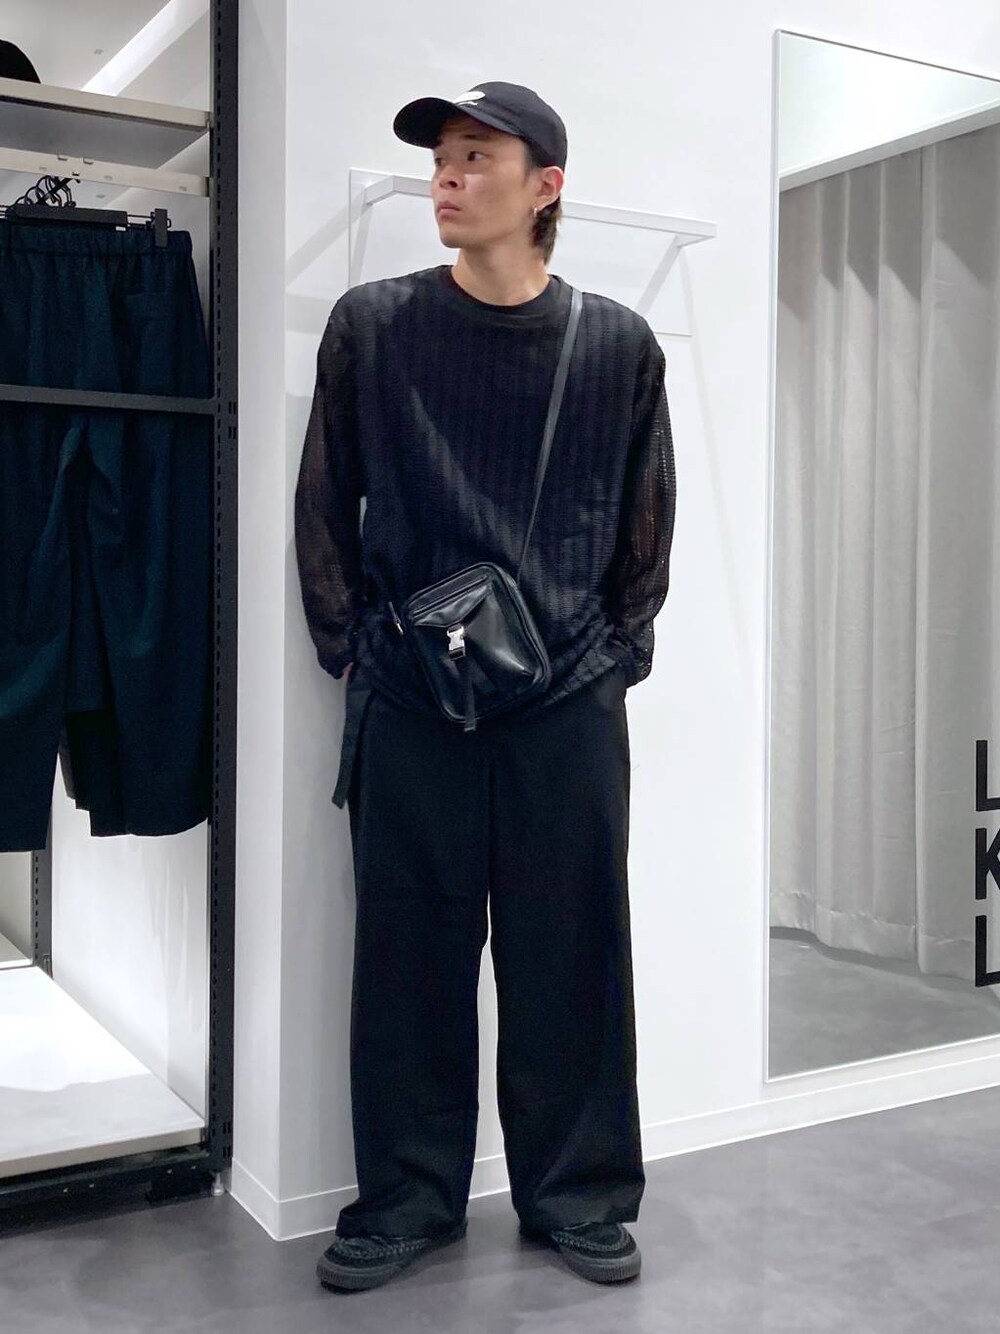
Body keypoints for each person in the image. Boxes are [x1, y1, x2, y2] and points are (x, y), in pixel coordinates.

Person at [294, 80, 676, 1293]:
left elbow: (645, 528)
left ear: (544, 186)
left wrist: (611, 660)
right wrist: (356, 650)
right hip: (413, 698)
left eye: (473, 157)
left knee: (573, 949)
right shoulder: (374, 325)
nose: (446, 179)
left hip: (567, 704)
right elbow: (324, 502)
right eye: (439, 161)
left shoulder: (615, 343)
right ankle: (408, 1198)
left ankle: (578, 1193)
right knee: (408, 951)